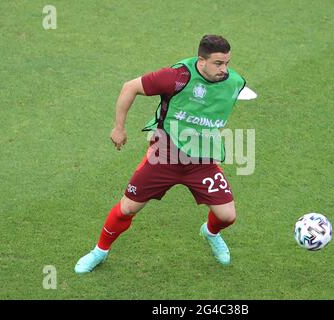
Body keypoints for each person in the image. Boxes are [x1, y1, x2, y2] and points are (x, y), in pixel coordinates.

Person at [75, 35, 247, 273]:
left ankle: (210, 232)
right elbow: (130, 87)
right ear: (201, 61)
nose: (224, 69)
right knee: (127, 208)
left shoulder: (235, 82)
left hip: (202, 161)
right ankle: (99, 251)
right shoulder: (177, 77)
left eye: (227, 62)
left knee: (227, 215)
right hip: (164, 157)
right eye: (218, 63)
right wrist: (118, 127)